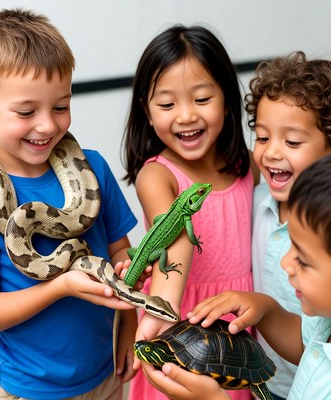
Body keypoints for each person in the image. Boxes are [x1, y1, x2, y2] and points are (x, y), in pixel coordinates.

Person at [0, 8, 141, 400]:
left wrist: (130, 326)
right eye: (26, 111)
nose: (48, 126)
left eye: (61, 106)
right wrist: (61, 286)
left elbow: (122, 255)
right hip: (30, 388)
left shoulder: (95, 169)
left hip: (104, 372)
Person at [122, 25, 259, 400]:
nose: (185, 116)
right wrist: (161, 309)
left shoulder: (250, 165)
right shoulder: (156, 175)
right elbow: (177, 239)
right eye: (167, 104)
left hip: (236, 321)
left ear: (228, 100)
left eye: (201, 99)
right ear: (146, 113)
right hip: (179, 323)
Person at [141, 152, 331, 400]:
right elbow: (305, 345)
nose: (286, 262)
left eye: (303, 260)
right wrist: (266, 309)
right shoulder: (324, 322)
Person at [247, 51, 331, 400]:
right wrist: (262, 307)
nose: (271, 153)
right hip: (263, 380)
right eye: (263, 137)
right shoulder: (254, 201)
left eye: (292, 142)